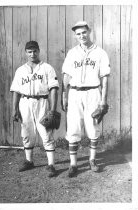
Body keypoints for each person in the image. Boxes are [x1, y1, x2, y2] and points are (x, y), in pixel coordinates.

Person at [61, 21, 110, 178]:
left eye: (84, 32)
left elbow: (104, 78)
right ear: (75, 35)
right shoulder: (72, 53)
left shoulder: (100, 53)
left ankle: (92, 160)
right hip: (75, 93)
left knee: (92, 127)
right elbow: (66, 76)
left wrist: (103, 100)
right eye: (78, 34)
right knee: (73, 128)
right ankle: (73, 164)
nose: (81, 36)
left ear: (89, 31)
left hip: (93, 92)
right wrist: (64, 95)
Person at [10, 41, 59, 177]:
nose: (32, 54)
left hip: (42, 102)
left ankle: (51, 165)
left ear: (39, 51)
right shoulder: (20, 70)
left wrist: (53, 110)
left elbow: (54, 90)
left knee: (46, 133)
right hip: (25, 102)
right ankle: (29, 161)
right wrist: (14, 109)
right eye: (29, 51)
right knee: (26, 133)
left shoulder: (47, 68)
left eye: (35, 51)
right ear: (26, 53)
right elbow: (16, 91)